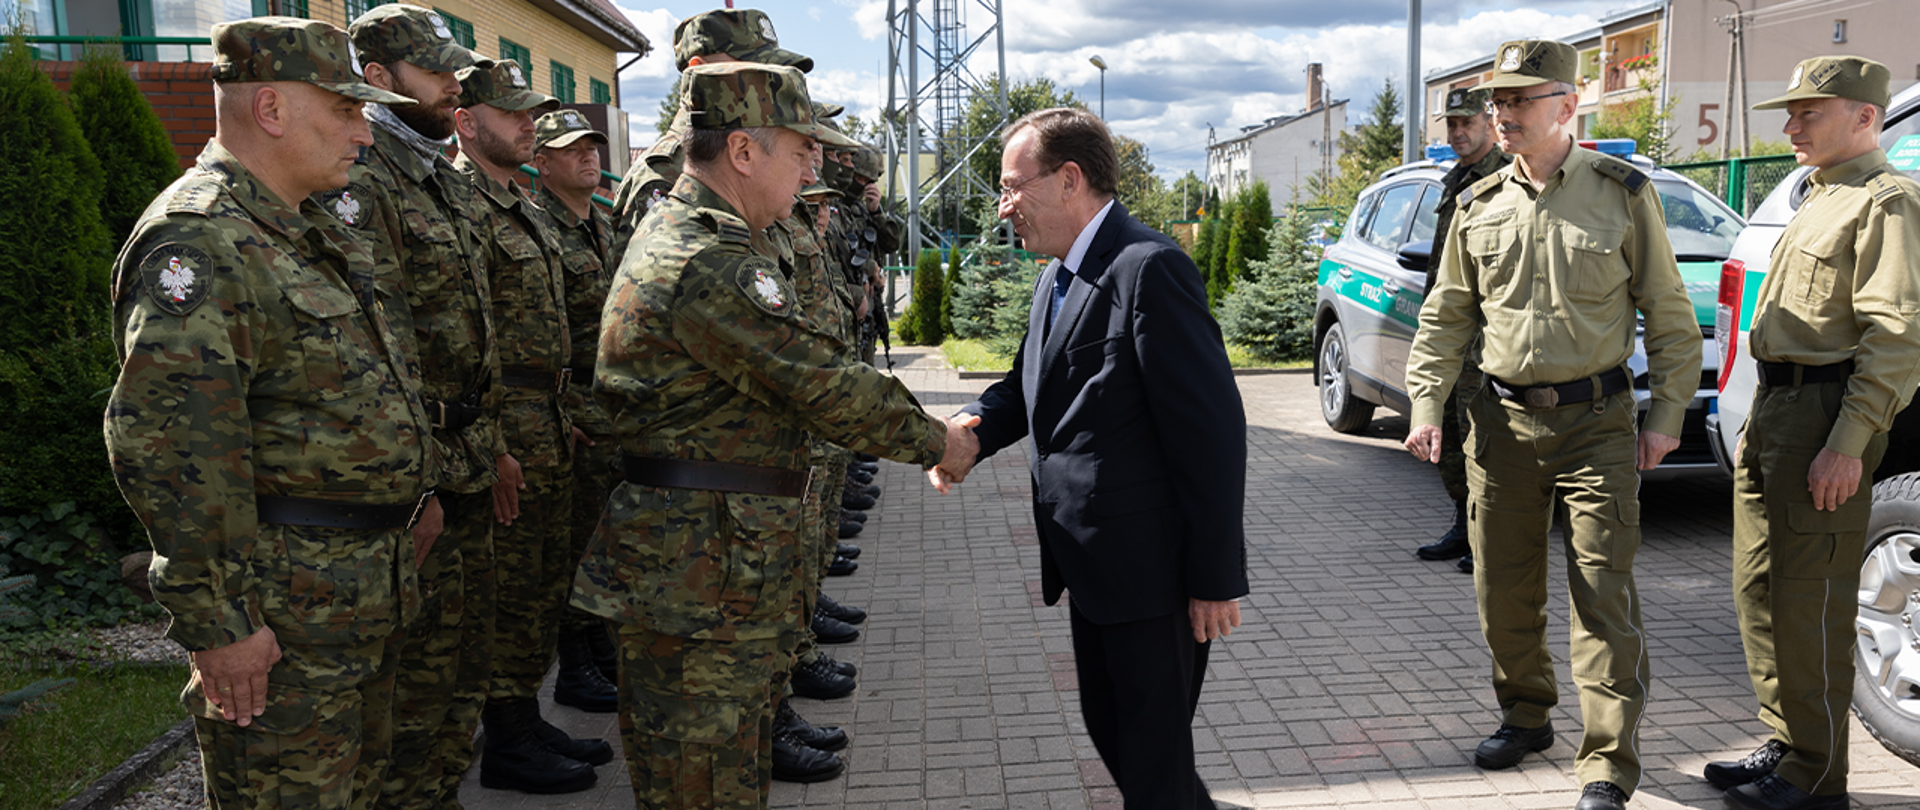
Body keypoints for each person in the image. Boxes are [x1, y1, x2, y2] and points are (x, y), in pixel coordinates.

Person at [568, 61, 977, 809]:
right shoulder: (705, 259)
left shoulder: (711, 240)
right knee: (705, 783)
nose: (811, 167)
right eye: (798, 151)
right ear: (744, 153)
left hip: (713, 564)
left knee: (731, 771)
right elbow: (822, 383)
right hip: (695, 575)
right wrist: (942, 441)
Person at [104, 16, 432, 808]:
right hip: (285, 619)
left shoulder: (305, 227)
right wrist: (220, 623)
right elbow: (169, 441)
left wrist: (412, 499)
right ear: (274, 110)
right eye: (346, 111)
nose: (364, 131)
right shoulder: (203, 239)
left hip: (357, 596)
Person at [1402, 39, 1702, 810]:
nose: (1502, 114)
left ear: (1568, 106)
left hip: (1597, 423)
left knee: (1603, 593)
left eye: (1520, 100)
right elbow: (1445, 318)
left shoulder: (1622, 192)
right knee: (1504, 591)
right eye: (1497, 101)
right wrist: (1427, 405)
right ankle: (1526, 716)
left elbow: (1668, 314)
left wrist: (1666, 414)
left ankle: (1605, 764)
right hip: (1499, 425)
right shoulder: (1479, 204)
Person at [936, 106, 1250, 810]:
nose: (1003, 206)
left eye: (1013, 186)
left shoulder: (1149, 267)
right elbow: (1026, 387)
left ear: (1070, 178)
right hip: (1093, 566)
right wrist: (969, 433)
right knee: (1120, 738)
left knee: (1152, 761)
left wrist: (1214, 576)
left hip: (1153, 574)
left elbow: (1212, 434)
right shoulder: (1056, 277)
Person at [1709, 55, 1920, 810]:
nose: (1792, 125)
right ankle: (1786, 741)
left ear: (1865, 117)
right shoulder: (1817, 195)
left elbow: (1895, 337)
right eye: (1790, 113)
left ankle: (1818, 777)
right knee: (1760, 589)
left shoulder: (1885, 202)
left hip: (1825, 415)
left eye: (1810, 112)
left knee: (1813, 601)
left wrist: (1849, 442)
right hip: (1776, 410)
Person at [312, 7, 503, 807]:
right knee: (413, 689)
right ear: (380, 80)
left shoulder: (433, 173)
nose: (454, 82)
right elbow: (378, 344)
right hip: (415, 473)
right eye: (435, 71)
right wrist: (418, 484)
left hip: (462, 455)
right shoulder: (359, 182)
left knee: (458, 669)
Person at [453, 58, 608, 794]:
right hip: (506, 424)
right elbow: (462, 344)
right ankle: (509, 737)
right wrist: (496, 444)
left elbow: (560, 339)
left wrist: (566, 413)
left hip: (549, 416)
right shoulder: (464, 204)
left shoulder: (515, 203)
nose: (527, 124)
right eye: (513, 114)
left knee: (544, 582)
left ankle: (526, 716)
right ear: (465, 122)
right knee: (510, 590)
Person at [529, 108, 625, 717]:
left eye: (592, 147)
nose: (588, 157)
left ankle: (599, 649)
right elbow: (540, 337)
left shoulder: (605, 225)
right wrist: (567, 411)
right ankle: (575, 666)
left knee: (603, 537)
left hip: (614, 406)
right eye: (571, 150)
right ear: (541, 164)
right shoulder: (542, 229)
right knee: (574, 546)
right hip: (577, 410)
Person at [606, 7, 812, 274]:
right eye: (753, 69)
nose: (771, 84)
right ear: (699, 71)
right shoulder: (663, 173)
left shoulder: (759, 153)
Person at [1415, 85, 1509, 572]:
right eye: (1452, 125)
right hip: (1453, 338)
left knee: (1479, 439)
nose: (1457, 132)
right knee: (1451, 438)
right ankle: (1462, 524)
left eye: (1466, 123)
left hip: (1485, 341)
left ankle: (1485, 538)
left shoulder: (1505, 179)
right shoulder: (1457, 180)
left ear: (1490, 124)